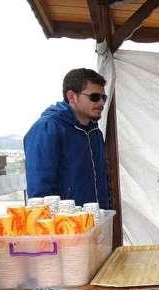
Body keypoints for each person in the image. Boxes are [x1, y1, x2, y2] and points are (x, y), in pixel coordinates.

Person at [24, 68, 111, 208]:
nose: (101, 103)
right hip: (67, 225)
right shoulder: (47, 128)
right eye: (94, 97)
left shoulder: (95, 132)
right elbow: (40, 194)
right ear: (72, 97)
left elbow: (104, 182)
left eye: (103, 97)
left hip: (97, 221)